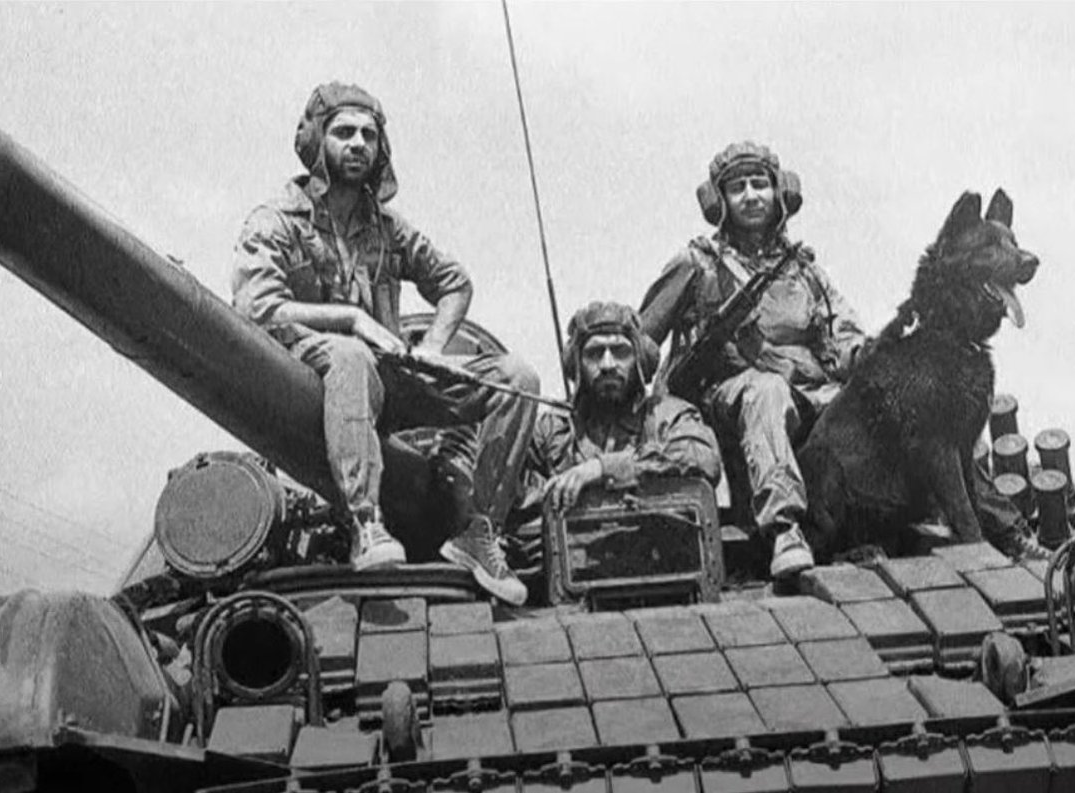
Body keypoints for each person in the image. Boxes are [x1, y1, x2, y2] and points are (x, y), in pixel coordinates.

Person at [231, 81, 537, 605]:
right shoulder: (276, 221)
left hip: (389, 377)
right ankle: (366, 522)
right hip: (314, 365)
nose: (357, 144)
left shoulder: (388, 229)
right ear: (315, 141)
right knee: (351, 357)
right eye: (343, 132)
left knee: (518, 380)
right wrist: (349, 319)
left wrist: (436, 347)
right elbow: (256, 307)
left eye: (368, 135)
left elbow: (454, 282)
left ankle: (477, 532)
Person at [639, 141, 866, 582]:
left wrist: (868, 356)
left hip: (808, 391)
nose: (750, 195)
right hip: (724, 395)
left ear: (779, 192)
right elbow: (641, 341)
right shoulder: (697, 265)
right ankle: (784, 528)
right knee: (765, 389)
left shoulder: (803, 270)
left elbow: (844, 336)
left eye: (759, 184)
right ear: (717, 201)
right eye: (737, 187)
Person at [521, 301, 722, 515]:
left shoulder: (669, 416)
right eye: (595, 353)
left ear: (639, 361)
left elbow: (703, 458)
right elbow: (508, 481)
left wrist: (602, 469)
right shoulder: (553, 429)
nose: (608, 364)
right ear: (577, 365)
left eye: (620, 352)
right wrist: (551, 492)